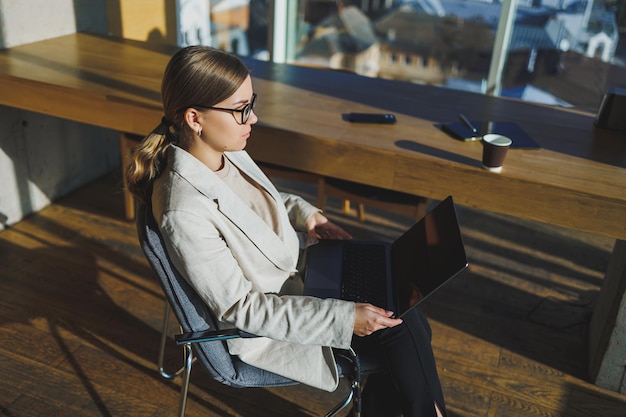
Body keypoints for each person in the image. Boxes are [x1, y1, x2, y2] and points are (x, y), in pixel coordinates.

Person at [126, 45, 446, 417]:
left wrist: (307, 215)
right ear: (195, 119)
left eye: (252, 102)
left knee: (404, 307)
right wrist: (344, 320)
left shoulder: (220, 151)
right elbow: (241, 308)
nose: (254, 117)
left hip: (300, 282)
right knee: (401, 329)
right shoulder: (183, 210)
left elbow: (261, 202)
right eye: (241, 108)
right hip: (272, 323)